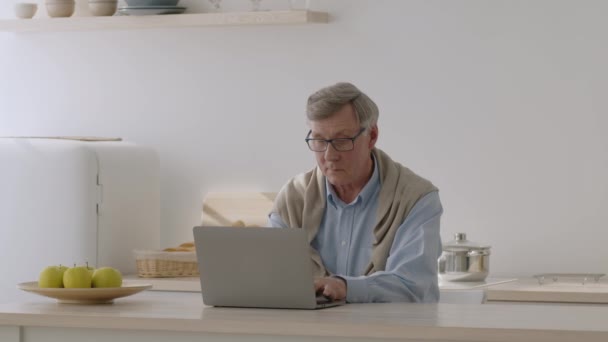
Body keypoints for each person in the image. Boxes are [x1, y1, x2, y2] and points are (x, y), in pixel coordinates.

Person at [268, 82, 443, 303]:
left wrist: (345, 287)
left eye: (342, 141)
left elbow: (413, 287)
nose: (329, 155)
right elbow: (272, 277)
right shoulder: (293, 198)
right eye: (320, 140)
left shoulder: (416, 199)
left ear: (372, 136)